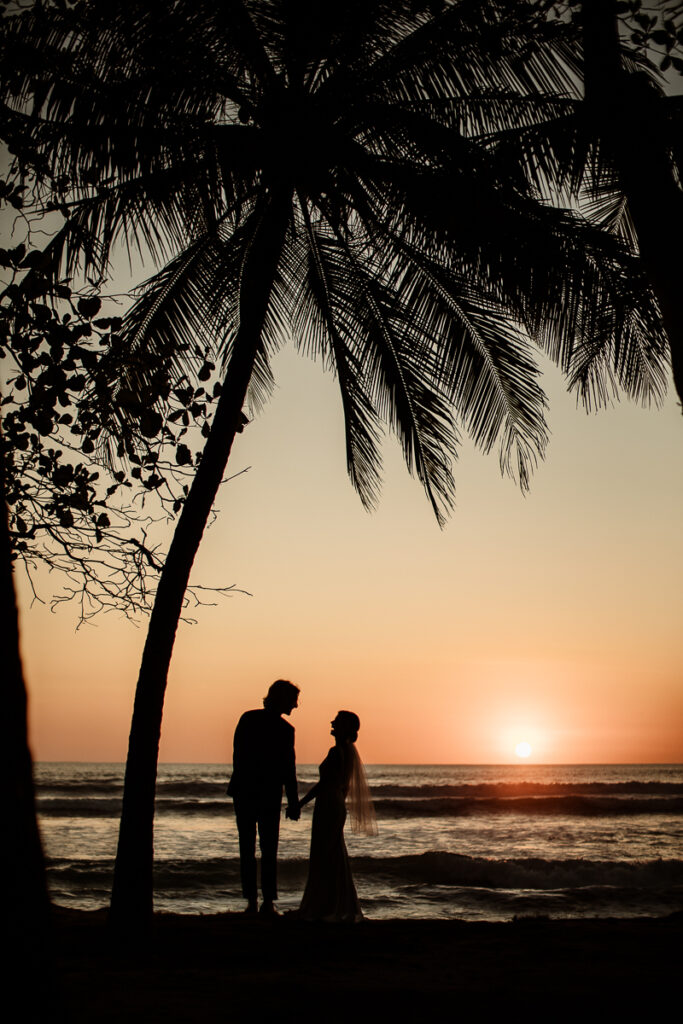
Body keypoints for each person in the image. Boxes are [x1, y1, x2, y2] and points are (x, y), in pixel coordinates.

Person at [227, 679, 300, 917]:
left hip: (246, 791)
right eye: (293, 700)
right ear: (283, 699)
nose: (296, 705)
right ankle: (266, 902)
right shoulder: (284, 730)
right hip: (265, 793)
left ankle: (253, 901)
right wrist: (293, 801)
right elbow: (288, 769)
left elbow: (238, 756)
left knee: (247, 848)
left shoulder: (249, 719)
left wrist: (292, 800)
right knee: (268, 849)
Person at [297, 710, 376, 922]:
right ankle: (332, 903)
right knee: (332, 854)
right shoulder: (348, 751)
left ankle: (323, 906)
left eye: (336, 721)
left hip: (328, 804)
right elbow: (344, 785)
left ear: (344, 727)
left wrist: (300, 803)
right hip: (335, 803)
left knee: (324, 854)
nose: (332, 722)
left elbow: (324, 784)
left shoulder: (337, 751)